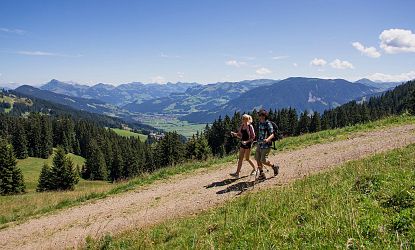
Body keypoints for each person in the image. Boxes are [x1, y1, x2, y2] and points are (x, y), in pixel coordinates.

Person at [229, 114, 256, 178]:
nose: (244, 120)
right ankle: (237, 173)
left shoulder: (250, 127)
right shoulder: (242, 126)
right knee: (240, 159)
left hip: (248, 144)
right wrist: (234, 134)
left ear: (248, 119)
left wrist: (246, 142)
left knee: (247, 158)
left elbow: (253, 137)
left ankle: (255, 169)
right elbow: (239, 135)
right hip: (242, 143)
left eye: (245, 119)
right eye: (243, 119)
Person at [255, 109, 279, 181]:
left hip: (266, 145)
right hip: (260, 144)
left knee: (263, 160)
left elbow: (273, 134)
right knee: (257, 158)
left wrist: (267, 139)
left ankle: (274, 166)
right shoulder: (260, 123)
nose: (259, 116)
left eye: (260, 115)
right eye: (259, 115)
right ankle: (262, 174)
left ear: (264, 116)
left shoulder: (268, 123)